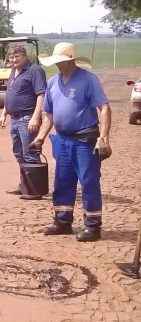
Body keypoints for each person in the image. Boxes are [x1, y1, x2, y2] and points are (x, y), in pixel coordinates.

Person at [29, 42, 112, 242]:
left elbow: (105, 108)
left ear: (72, 60)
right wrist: (39, 138)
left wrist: (104, 138)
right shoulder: (53, 83)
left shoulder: (88, 79)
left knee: (89, 181)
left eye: (62, 61)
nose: (58, 65)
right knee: (62, 181)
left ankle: (93, 226)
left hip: (85, 140)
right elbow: (48, 115)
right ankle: (62, 222)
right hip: (62, 140)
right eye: (56, 62)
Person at [0, 44, 47, 199]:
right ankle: (24, 185)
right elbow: (10, 93)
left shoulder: (34, 70)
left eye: (17, 57)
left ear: (24, 56)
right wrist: (4, 113)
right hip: (14, 118)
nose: (14, 60)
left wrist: (35, 116)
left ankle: (34, 190)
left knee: (30, 153)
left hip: (27, 118)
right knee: (19, 153)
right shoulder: (13, 71)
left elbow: (41, 94)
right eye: (11, 58)